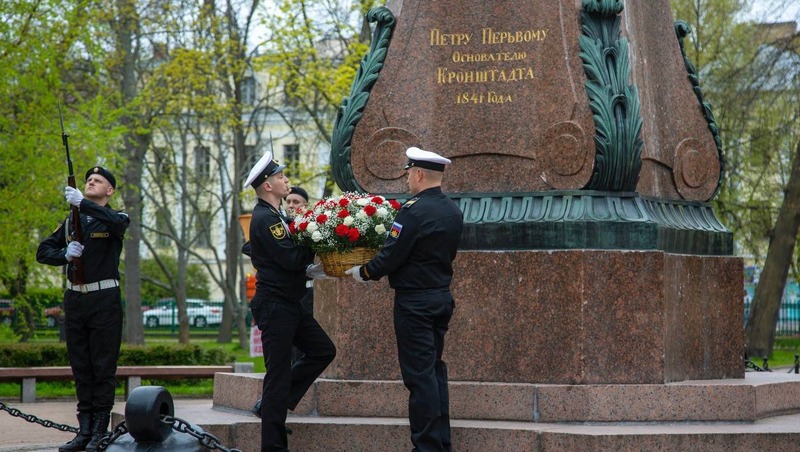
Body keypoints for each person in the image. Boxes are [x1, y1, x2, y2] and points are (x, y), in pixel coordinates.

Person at [345, 146, 463, 452]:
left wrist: (364, 272)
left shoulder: (414, 210)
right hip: (440, 298)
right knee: (434, 372)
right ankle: (440, 442)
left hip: (415, 303)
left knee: (420, 378)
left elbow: (392, 255)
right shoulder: (453, 210)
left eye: (409, 173)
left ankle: (426, 447)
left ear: (420, 174)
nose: (408, 179)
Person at [244, 151, 336, 451]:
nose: (287, 180)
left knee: (323, 351)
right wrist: (316, 236)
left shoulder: (277, 216)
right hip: (276, 306)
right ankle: (273, 444)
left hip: (289, 304)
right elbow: (292, 258)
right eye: (282, 177)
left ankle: (272, 404)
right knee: (277, 377)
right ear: (268, 186)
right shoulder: (264, 218)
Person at [36, 166, 130, 452]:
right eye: (89, 179)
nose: (91, 181)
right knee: (81, 368)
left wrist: (82, 203)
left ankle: (100, 430)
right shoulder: (70, 223)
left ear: (110, 191)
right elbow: (43, 251)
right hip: (76, 301)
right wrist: (64, 254)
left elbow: (116, 222)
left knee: (102, 367)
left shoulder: (116, 218)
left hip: (104, 301)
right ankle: (84, 430)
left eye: (98, 180)